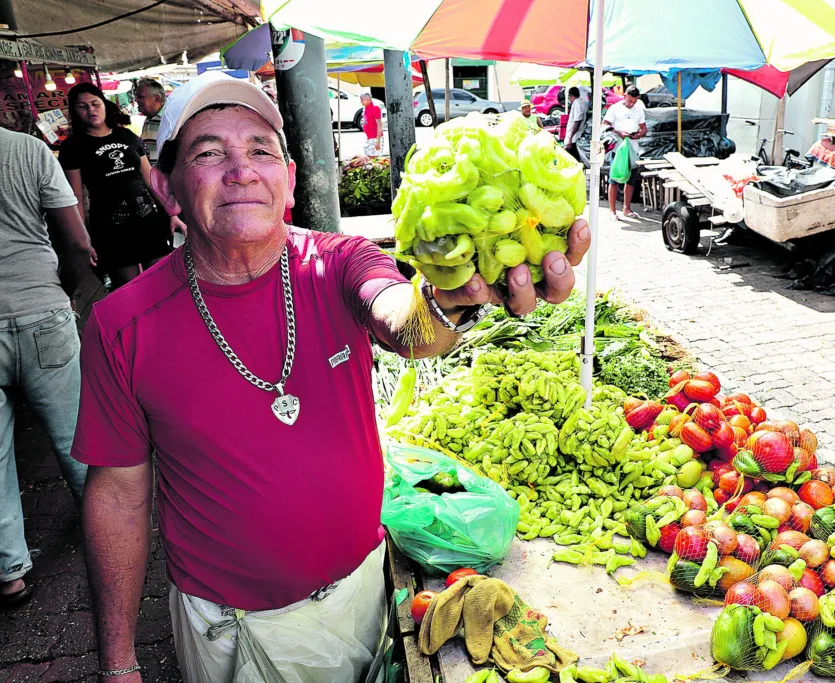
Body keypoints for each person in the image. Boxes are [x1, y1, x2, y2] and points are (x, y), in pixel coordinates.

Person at [72, 71, 590, 683]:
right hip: (232, 631)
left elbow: (404, 321)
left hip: (363, 596)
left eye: (262, 150)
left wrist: (454, 301)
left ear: (288, 178)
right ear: (166, 186)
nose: (242, 170)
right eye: (209, 153)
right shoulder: (122, 324)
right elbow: (119, 496)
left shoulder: (336, 263)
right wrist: (118, 663)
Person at [0, 127, 95, 609]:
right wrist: (69, 293)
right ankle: (107, 530)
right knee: (75, 432)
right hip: (41, 307)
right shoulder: (27, 150)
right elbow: (76, 240)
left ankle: (9, 572)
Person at [60, 83, 181, 289]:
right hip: (111, 227)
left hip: (148, 220)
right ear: (75, 111)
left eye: (94, 103)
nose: (90, 110)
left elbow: (150, 179)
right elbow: (76, 196)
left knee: (163, 281)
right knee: (128, 288)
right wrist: (83, 239)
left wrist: (172, 213)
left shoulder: (127, 137)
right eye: (82, 106)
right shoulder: (72, 147)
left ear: (104, 104)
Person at [603, 85, 647, 221]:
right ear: (624, 96)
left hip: (633, 148)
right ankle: (612, 210)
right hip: (618, 147)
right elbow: (604, 126)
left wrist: (638, 134)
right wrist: (619, 132)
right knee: (614, 178)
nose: (631, 104)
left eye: (634, 101)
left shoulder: (639, 110)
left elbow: (644, 129)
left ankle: (626, 208)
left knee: (631, 179)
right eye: (629, 101)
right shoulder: (614, 108)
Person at [135, 78, 166, 165]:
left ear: (156, 99)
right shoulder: (149, 118)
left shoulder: (168, 118)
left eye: (140, 97)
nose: (136, 100)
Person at [564, 86, 586, 161]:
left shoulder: (577, 103)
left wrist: (570, 137)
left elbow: (577, 121)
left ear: (571, 96)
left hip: (574, 138)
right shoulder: (581, 102)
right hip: (574, 137)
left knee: (573, 160)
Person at [360, 93, 382, 157]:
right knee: (367, 153)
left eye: (362, 100)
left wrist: (378, 141)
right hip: (370, 137)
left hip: (375, 137)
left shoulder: (375, 108)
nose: (361, 102)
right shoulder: (365, 109)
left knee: (373, 156)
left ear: (368, 100)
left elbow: (379, 124)